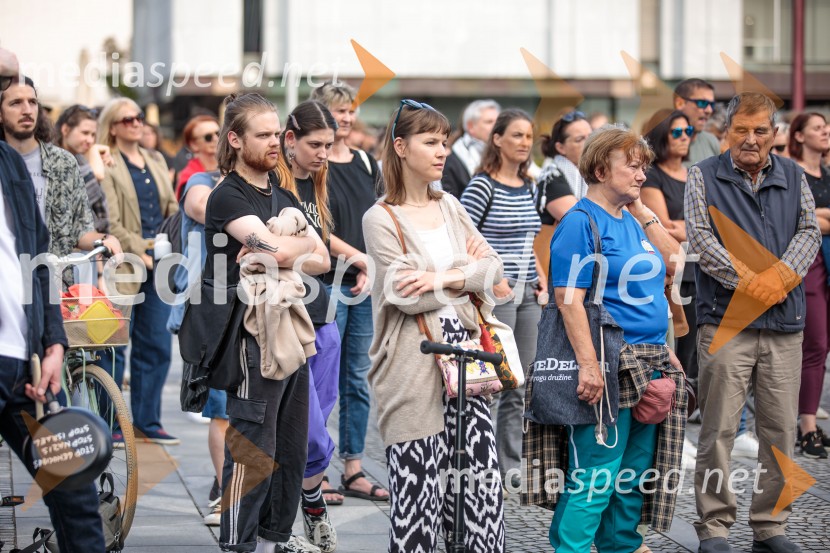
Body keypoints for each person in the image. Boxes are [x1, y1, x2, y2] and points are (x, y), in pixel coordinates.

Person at [525, 126, 687, 553]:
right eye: (632, 167)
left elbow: (675, 263)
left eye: (644, 167)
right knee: (595, 476)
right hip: (609, 364)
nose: (641, 176)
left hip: (648, 361)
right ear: (600, 169)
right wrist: (589, 365)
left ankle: (620, 547)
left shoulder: (630, 220)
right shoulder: (580, 221)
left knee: (630, 477)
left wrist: (644, 212)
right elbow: (569, 301)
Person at [363, 98, 505, 553]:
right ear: (401, 147)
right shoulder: (380, 218)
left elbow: (495, 269)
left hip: (469, 364)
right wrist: (466, 275)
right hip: (411, 368)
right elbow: (406, 295)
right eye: (430, 142)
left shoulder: (451, 207)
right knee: (417, 503)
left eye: (445, 141)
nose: (442, 150)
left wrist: (444, 276)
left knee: (481, 500)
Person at [686, 92, 821, 553]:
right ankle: (715, 527)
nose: (750, 139)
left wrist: (780, 279)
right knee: (719, 429)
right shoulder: (702, 176)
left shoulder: (794, 175)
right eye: (741, 129)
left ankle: (770, 525)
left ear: (775, 135)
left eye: (760, 130)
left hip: (785, 322)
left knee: (780, 430)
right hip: (726, 321)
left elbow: (808, 230)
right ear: (727, 131)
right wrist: (751, 283)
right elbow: (701, 239)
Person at [206, 91, 329, 553]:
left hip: (290, 327)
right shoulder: (227, 195)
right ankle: (238, 542)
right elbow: (290, 251)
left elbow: (321, 257)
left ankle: (275, 536)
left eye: (277, 133)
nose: (275, 142)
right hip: (246, 334)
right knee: (254, 447)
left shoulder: (280, 192)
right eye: (264, 135)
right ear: (235, 139)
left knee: (291, 447)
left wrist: (278, 252)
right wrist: (287, 249)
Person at [0, 46, 106, 553]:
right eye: (10, 94)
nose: (25, 106)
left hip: (23, 361)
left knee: (74, 487)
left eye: (30, 97)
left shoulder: (20, 170)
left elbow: (40, 257)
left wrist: (55, 342)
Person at [308, 81, 389, 502]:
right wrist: (360, 259)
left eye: (351, 110)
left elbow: (379, 217)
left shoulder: (364, 161)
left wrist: (370, 264)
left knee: (357, 378)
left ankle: (353, 467)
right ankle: (315, 470)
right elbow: (318, 229)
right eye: (337, 110)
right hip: (328, 282)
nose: (346, 117)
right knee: (322, 378)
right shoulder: (316, 165)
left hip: (363, 281)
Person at [460, 108, 543, 484]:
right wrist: (492, 279)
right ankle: (480, 463)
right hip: (497, 295)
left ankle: (510, 464)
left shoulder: (529, 185)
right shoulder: (482, 185)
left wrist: (540, 278)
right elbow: (461, 237)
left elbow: (530, 240)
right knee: (494, 380)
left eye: (528, 136)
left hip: (528, 293)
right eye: (516, 136)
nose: (524, 143)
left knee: (520, 380)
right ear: (497, 140)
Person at [279, 100, 343, 552]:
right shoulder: (273, 188)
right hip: (287, 320)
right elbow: (295, 251)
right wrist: (312, 252)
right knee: (310, 435)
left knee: (321, 418)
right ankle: (303, 507)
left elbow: (320, 248)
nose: (324, 153)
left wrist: (350, 254)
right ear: (290, 140)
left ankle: (309, 503)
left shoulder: (317, 182)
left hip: (324, 315)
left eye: (329, 145)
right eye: (315, 145)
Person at [98, 97, 178, 445]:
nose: (136, 123)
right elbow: (112, 222)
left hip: (159, 261)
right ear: (113, 126)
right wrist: (144, 251)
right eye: (127, 119)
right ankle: (111, 424)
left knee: (157, 345)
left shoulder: (156, 159)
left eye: (139, 117)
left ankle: (147, 421)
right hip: (125, 263)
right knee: (116, 346)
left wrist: (166, 244)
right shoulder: (107, 162)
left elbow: (172, 208)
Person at [165, 168, 226, 524]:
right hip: (209, 311)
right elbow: (203, 208)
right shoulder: (201, 181)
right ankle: (224, 491)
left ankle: (235, 489)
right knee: (221, 409)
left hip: (254, 307)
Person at [0, 78, 120, 258]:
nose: (27, 110)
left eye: (32, 102)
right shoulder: (4, 161)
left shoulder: (63, 162)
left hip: (54, 278)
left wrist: (105, 239)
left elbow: (81, 230)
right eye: (16, 103)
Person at [789, 112, 830, 459]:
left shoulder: (828, 174)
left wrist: (820, 216)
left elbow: (816, 217)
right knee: (815, 343)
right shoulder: (792, 173)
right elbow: (800, 219)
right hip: (810, 263)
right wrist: (819, 219)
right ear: (799, 136)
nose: (826, 131)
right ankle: (807, 427)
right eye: (818, 127)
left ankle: (813, 421)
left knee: (824, 345)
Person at [55, 104, 113, 234]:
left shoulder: (80, 159)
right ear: (65, 130)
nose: (90, 140)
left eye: (93, 135)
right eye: (85, 133)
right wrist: (94, 172)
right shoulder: (51, 159)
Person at [441, 99, 501, 198]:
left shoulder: (506, 155)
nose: (496, 127)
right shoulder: (451, 162)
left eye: (498, 122)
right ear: (471, 126)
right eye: (489, 122)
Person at [539, 110, 592, 200]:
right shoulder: (552, 177)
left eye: (592, 136)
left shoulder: (595, 172)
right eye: (580, 139)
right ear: (561, 148)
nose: (589, 142)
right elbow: (576, 214)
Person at [674, 78, 721, 165]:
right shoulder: (659, 144)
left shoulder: (711, 142)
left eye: (712, 104)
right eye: (702, 103)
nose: (709, 110)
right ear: (680, 103)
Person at [175, 114, 220, 199]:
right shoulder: (189, 176)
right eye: (208, 137)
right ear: (194, 144)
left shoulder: (232, 166)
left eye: (218, 134)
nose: (216, 139)